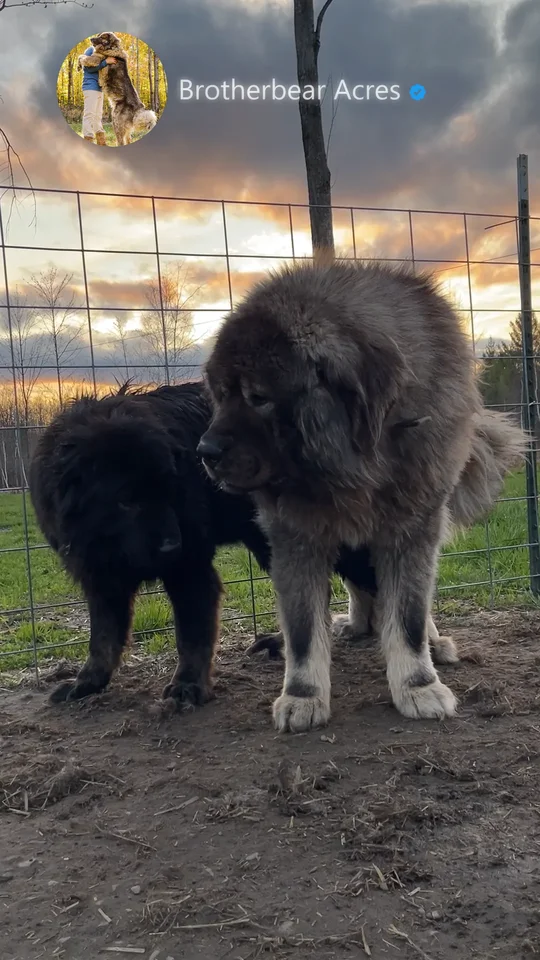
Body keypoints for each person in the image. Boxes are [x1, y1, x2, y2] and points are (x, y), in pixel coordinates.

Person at [81, 44, 116, 145]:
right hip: (90, 87)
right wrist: (105, 62)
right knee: (89, 115)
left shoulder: (103, 53)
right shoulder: (90, 50)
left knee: (97, 116)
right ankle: (88, 139)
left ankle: (101, 142)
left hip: (99, 88)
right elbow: (87, 68)